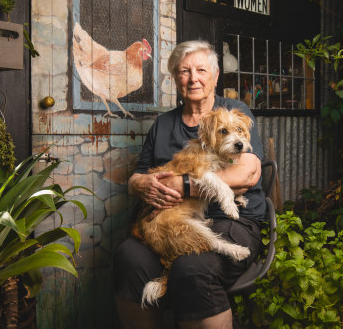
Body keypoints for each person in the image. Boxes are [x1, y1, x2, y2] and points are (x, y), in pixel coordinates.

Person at [114, 40, 266, 328]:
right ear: (175, 78)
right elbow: (138, 174)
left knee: (192, 267)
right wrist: (141, 185)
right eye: (184, 71)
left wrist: (182, 185)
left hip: (231, 219)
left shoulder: (233, 112)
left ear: (215, 75)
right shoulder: (162, 125)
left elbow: (247, 171)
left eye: (200, 70)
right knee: (128, 258)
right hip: (171, 222)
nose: (193, 78)